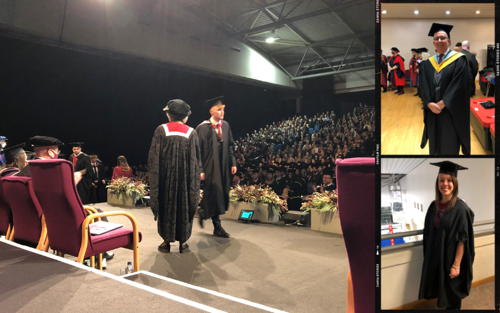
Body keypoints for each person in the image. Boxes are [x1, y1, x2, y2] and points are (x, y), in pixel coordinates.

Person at [419, 161, 474, 310]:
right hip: (436, 256)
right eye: (441, 180)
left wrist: (456, 265)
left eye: (449, 180)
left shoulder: (460, 209)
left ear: (455, 183)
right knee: (441, 291)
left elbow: (463, 239)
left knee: (452, 296)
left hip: (450, 258)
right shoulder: (433, 206)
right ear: (437, 183)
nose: (445, 184)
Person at [148, 99, 201, 253]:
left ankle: (166, 242)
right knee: (184, 205)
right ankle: (183, 242)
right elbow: (195, 161)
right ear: (185, 117)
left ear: (169, 115)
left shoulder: (161, 130)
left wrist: (156, 179)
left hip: (165, 180)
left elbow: (153, 158)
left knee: (166, 205)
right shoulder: (192, 133)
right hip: (185, 182)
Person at [419, 23, 470, 155]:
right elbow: (423, 85)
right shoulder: (428, 63)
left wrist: (443, 103)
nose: (439, 41)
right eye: (436, 39)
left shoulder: (459, 60)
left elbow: (459, 85)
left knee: (450, 142)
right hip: (432, 110)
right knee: (434, 144)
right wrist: (428, 103)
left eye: (442, 38)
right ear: (433, 43)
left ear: (449, 41)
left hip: (450, 110)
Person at [196, 96, 237, 238]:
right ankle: (217, 225)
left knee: (220, 192)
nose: (222, 112)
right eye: (219, 110)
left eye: (223, 110)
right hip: (209, 166)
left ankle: (203, 210)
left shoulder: (225, 125)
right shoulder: (202, 128)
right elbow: (198, 151)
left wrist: (233, 162)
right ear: (211, 111)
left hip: (224, 165)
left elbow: (231, 145)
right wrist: (200, 169)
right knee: (215, 192)